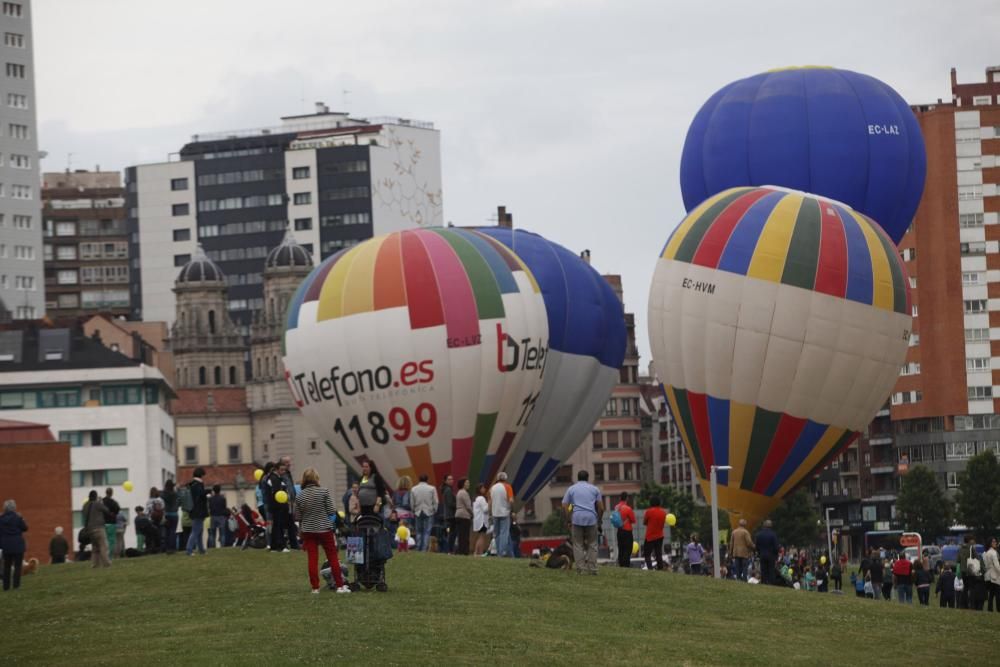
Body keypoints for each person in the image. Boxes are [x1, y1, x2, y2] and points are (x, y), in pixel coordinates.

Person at [293, 468, 350, 594]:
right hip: (324, 528)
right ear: (316, 479)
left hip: (308, 530)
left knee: (312, 558)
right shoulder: (323, 492)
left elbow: (296, 516)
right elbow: (331, 511)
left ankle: (315, 588)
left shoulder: (300, 495)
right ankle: (340, 586)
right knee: (332, 557)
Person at [561, 470, 604, 575]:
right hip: (591, 518)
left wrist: (568, 519)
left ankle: (581, 569)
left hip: (577, 518)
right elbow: (601, 508)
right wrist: (599, 520)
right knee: (593, 544)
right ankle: (593, 569)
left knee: (578, 544)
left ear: (577, 478)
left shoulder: (572, 489)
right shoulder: (595, 489)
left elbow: (565, 505)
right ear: (588, 478)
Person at [0, 499, 28, 590]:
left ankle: (6, 586)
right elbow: (25, 528)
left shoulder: (1, 518)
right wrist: (22, 519)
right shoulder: (18, 517)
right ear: (14, 507)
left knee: (6, 566)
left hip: (6, 545)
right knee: (17, 566)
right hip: (17, 545)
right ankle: (16, 586)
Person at [266, 462, 292, 552]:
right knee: (279, 526)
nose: (283, 471)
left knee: (276, 526)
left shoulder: (277, 478)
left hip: (276, 506)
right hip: (278, 506)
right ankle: (280, 546)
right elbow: (277, 493)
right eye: (281, 469)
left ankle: (274, 546)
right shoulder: (274, 479)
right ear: (277, 469)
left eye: (284, 470)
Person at [83, 490, 112, 568]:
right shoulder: (97, 504)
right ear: (95, 496)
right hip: (98, 528)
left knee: (95, 548)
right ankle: (106, 563)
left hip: (90, 530)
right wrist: (100, 502)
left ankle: (95, 565)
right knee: (103, 546)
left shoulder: (85, 505)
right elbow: (106, 510)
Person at [185, 467, 209, 556]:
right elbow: (201, 495)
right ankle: (189, 549)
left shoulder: (191, 484)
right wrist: (208, 491)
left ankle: (201, 549)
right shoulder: (198, 484)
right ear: (201, 475)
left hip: (193, 510)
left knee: (199, 530)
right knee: (195, 531)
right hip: (199, 510)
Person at [411, 474, 438, 552]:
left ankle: (418, 547)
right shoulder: (432, 488)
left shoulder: (414, 489)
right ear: (427, 480)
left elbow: (412, 502)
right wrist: (434, 510)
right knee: (427, 531)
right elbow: (435, 501)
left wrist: (413, 510)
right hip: (429, 511)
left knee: (418, 530)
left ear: (419, 479)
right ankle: (424, 549)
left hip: (418, 511)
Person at [490, 472, 514, 558]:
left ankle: (498, 552)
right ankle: (502, 552)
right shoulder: (508, 487)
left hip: (495, 513)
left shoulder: (492, 488)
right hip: (505, 512)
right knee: (504, 533)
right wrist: (511, 510)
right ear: (505, 479)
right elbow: (511, 500)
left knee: (497, 533)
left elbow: (490, 501)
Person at [279, 456, 299, 549]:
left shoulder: (288, 473)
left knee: (291, 524)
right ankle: (288, 544)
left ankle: (294, 544)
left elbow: (291, 487)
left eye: (289, 462)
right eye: (287, 462)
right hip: (284, 503)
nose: (289, 464)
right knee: (285, 524)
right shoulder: (281, 474)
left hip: (290, 503)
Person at [642, 496, 667, 571]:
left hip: (650, 536)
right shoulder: (663, 513)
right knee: (658, 553)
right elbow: (663, 524)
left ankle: (650, 568)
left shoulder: (649, 511)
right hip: (660, 535)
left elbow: (644, 522)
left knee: (647, 554)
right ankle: (660, 568)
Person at [613, 492, 637, 569]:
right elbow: (633, 520)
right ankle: (626, 565)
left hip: (619, 531)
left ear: (620, 498)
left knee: (621, 548)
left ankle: (621, 564)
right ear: (627, 498)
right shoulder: (628, 508)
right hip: (627, 531)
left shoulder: (616, 507)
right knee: (628, 548)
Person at [755, 519, 779, 585]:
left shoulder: (759, 534)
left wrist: (759, 552)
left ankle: (764, 582)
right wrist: (776, 555)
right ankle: (771, 583)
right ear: (771, 526)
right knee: (771, 570)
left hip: (762, 554)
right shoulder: (773, 534)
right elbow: (776, 546)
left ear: (764, 525)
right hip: (771, 555)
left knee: (763, 569)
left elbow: (757, 546)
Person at [454, 478, 473, 556]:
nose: (468, 484)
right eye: (467, 483)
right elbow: (468, 506)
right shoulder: (464, 493)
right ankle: (464, 550)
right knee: (464, 535)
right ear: (463, 484)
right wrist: (472, 513)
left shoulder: (459, 492)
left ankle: (460, 549)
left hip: (458, 514)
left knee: (460, 534)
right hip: (464, 515)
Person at [160, 479, 179, 554]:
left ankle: (167, 548)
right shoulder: (174, 494)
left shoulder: (164, 494)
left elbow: (161, 497)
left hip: (167, 514)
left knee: (167, 532)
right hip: (174, 514)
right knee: (173, 532)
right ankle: (172, 548)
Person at [102, 488, 121, 561]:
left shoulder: (102, 501)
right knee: (111, 541)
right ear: (112, 493)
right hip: (111, 523)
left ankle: (103, 556)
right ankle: (109, 557)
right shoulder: (113, 502)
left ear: (105, 492)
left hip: (103, 524)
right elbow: (118, 509)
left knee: (104, 541)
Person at [472, 484, 491, 556]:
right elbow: (485, 509)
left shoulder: (476, 499)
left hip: (478, 520)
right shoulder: (481, 498)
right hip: (482, 521)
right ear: (480, 489)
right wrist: (489, 501)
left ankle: (476, 552)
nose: (484, 489)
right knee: (482, 537)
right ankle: (479, 552)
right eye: (483, 488)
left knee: (480, 536)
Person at [441, 475, 457, 554]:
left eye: (452, 479)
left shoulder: (447, 490)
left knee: (449, 532)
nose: (451, 480)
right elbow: (450, 503)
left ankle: (449, 549)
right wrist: (458, 505)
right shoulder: (448, 490)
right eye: (449, 479)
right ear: (445, 481)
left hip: (448, 515)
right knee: (451, 533)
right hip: (451, 516)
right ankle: (450, 550)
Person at [984, 537, 1000, 612]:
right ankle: (998, 609)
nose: (995, 543)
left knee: (991, 594)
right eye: (993, 542)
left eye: (995, 542)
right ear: (990, 543)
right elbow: (997, 565)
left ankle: (990, 609)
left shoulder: (986, 552)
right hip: (995, 575)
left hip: (988, 575)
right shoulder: (994, 553)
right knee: (997, 594)